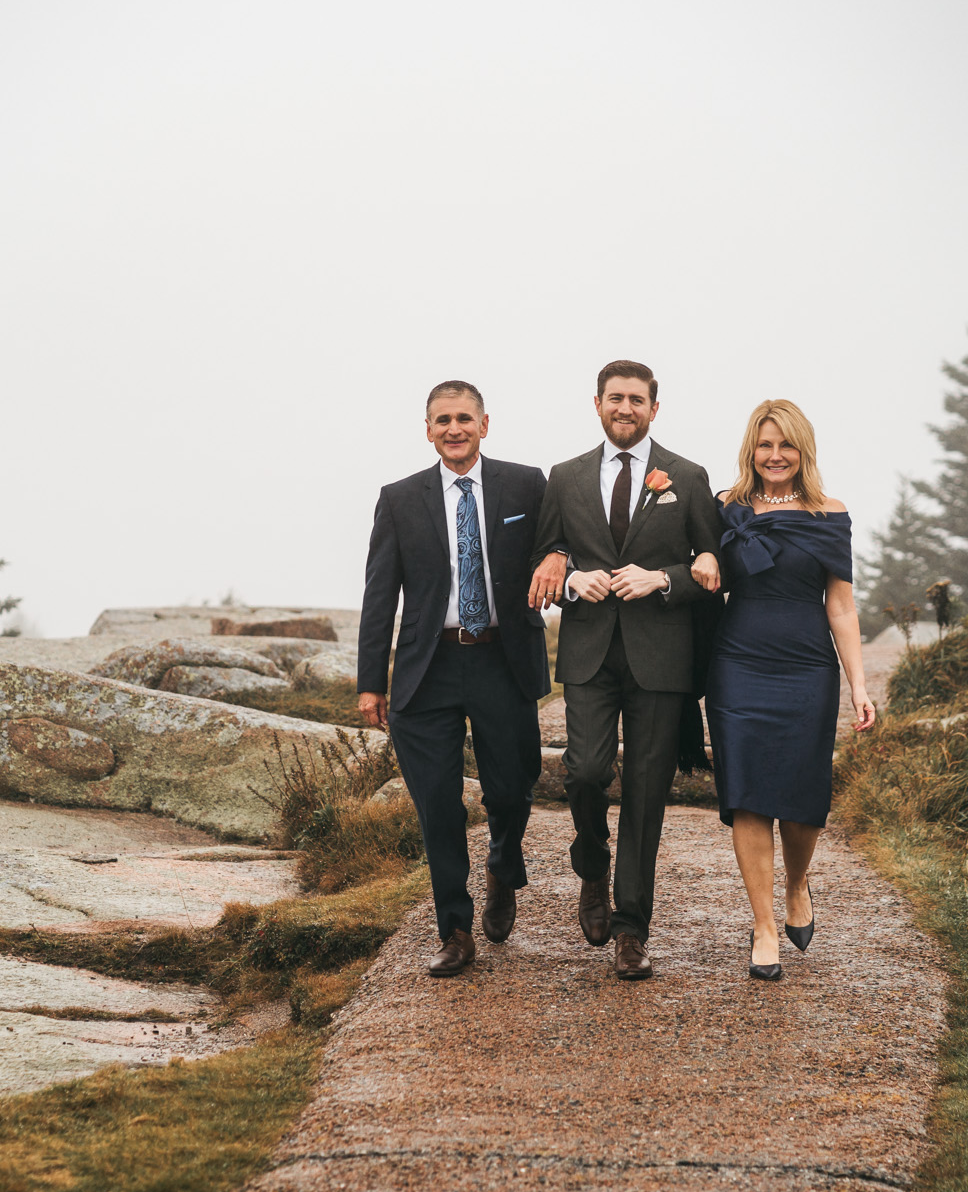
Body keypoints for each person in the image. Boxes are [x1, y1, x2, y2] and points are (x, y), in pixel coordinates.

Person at [527, 360, 721, 980]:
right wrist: (569, 578)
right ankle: (592, 864)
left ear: (654, 409)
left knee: (644, 793)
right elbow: (543, 556)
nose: (625, 409)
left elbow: (713, 567)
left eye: (637, 400)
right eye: (616, 398)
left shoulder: (687, 477)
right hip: (589, 652)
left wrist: (663, 577)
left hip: (661, 658)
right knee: (585, 771)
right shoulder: (565, 476)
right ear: (598, 404)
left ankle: (632, 928)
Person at [359, 380, 551, 977]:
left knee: (512, 788)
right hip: (428, 668)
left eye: (464, 418)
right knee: (437, 805)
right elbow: (379, 594)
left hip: (503, 659)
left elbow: (555, 541)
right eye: (442, 420)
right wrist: (371, 681)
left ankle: (502, 864)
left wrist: (558, 556)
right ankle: (455, 930)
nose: (453, 429)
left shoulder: (526, 484)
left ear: (484, 425)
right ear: (428, 430)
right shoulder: (399, 498)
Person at [699, 399, 875, 981]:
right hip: (737, 664)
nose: (775, 456)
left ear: (803, 450)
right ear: (751, 449)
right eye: (765, 445)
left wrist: (858, 685)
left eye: (786, 446)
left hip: (806, 668)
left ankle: (797, 885)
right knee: (747, 794)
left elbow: (841, 606)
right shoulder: (725, 507)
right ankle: (764, 926)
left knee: (802, 798)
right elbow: (700, 571)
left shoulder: (830, 513)